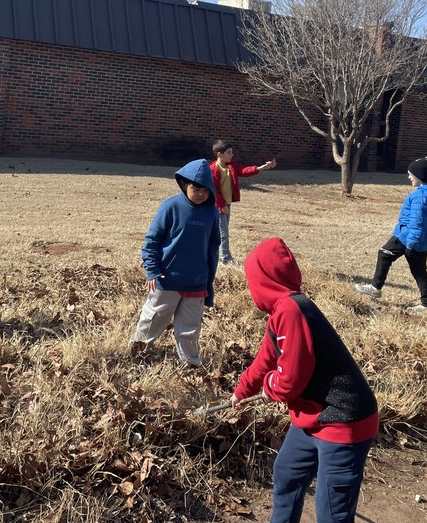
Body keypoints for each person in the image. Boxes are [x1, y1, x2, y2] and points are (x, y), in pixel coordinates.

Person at [232, 237, 378, 523]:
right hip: (313, 418)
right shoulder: (282, 313)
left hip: (343, 423)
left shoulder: (292, 311)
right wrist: (241, 390)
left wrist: (269, 388)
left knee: (331, 513)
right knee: (286, 474)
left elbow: (290, 382)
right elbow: (266, 359)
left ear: (262, 280)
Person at [129, 159, 220, 366]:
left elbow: (213, 248)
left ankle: (190, 363)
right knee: (153, 318)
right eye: (196, 189)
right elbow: (152, 240)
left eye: (206, 190)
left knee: (190, 326)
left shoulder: (211, 213)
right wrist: (152, 270)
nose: (201, 194)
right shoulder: (170, 207)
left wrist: (208, 282)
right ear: (184, 185)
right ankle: (138, 352)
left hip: (196, 282)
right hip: (167, 279)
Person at [356, 156, 427, 314]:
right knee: (418, 270)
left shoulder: (421, 197)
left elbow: (418, 223)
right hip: (415, 239)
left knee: (385, 254)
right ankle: (426, 304)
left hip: (408, 238)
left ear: (419, 176)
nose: (409, 177)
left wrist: (412, 243)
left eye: (411, 174)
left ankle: (376, 287)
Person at [209, 139, 277, 265]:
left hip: (226, 204)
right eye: (229, 153)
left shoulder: (232, 166)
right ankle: (225, 258)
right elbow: (213, 190)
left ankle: (217, 255)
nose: (232, 155)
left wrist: (263, 167)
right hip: (218, 206)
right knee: (223, 233)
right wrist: (222, 205)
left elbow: (245, 171)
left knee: (221, 231)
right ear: (219, 154)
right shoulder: (212, 169)